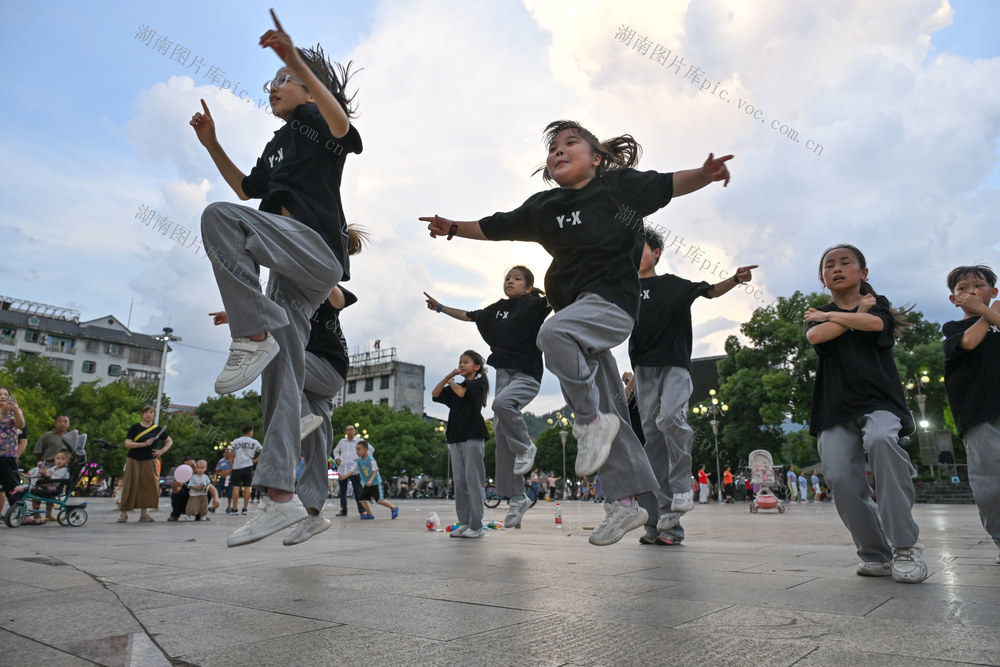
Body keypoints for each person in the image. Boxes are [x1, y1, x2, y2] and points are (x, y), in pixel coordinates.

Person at [423, 120, 733, 546]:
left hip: (609, 307)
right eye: (553, 148)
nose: (559, 151)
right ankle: (625, 506)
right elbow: (496, 225)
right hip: (577, 318)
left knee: (552, 337)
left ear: (597, 158)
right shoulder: (544, 208)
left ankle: (589, 422)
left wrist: (705, 173)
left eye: (571, 144)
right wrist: (454, 226)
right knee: (612, 412)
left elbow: (667, 184)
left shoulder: (617, 190)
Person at [190, 10, 362, 548]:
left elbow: (342, 126)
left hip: (314, 251)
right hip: (288, 275)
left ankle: (255, 332)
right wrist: (212, 145)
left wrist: (296, 62)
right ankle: (281, 500)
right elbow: (246, 187)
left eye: (283, 81)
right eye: (272, 83)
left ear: (312, 90)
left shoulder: (316, 125)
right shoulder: (278, 142)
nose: (274, 89)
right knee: (279, 376)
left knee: (218, 218)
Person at [805, 243, 926, 583]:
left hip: (879, 402)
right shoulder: (826, 313)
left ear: (864, 273)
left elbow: (874, 326)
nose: (837, 268)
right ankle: (875, 553)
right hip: (834, 407)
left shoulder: (880, 305)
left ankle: (906, 546)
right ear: (822, 278)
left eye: (846, 262)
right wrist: (847, 313)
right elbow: (817, 335)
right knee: (840, 476)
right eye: (829, 265)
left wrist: (835, 316)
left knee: (882, 439)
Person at [629, 225, 755, 541]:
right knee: (653, 440)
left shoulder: (673, 285)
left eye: (641, 246)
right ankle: (659, 524)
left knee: (671, 419)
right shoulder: (624, 289)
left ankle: (683, 487)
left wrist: (736, 279)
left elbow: (711, 291)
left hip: (673, 365)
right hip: (643, 369)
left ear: (656, 252)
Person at [424, 265, 550, 529]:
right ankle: (517, 497)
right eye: (507, 278)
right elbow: (469, 315)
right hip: (503, 373)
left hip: (526, 374)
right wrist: (440, 307)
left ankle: (527, 446)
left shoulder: (534, 304)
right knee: (502, 439)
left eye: (516, 279)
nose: (509, 282)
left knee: (501, 403)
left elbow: (559, 296)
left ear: (528, 287)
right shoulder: (496, 309)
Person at [942, 264, 1000, 565]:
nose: (970, 292)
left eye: (978, 286)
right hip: (978, 414)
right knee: (990, 485)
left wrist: (990, 311)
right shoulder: (953, 329)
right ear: (953, 299)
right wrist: (987, 312)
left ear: (993, 292)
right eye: (962, 288)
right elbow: (968, 343)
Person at [432, 351, 490, 539]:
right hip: (455, 437)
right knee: (460, 482)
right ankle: (465, 523)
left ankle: (477, 525)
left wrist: (451, 382)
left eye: (466, 362)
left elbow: (462, 392)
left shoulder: (478, 383)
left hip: (473, 435)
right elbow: (435, 393)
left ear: (476, 367)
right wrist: (448, 377)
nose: (461, 365)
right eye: (460, 362)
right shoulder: (456, 385)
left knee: (473, 481)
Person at [119, 406, 172, 523]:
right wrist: (143, 444)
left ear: (154, 415)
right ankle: (124, 514)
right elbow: (127, 443)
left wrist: (161, 451)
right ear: (142, 415)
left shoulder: (157, 429)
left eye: (151, 412)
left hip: (149, 459)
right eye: (146, 412)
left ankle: (143, 514)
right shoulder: (135, 428)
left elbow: (169, 441)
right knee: (129, 484)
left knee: (147, 486)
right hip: (133, 459)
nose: (148, 414)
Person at [0, 387, 27, 519]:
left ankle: (19, 513)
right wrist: (3, 413)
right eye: (0, 394)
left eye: (6, 394)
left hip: (8, 453)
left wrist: (15, 410)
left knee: (12, 485)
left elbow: (21, 426)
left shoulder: (14, 411)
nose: (3, 396)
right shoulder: (3, 412)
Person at [355, 440, 398, 520]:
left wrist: (371, 480)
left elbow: (375, 470)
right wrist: (344, 476)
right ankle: (370, 514)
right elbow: (353, 470)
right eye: (356, 450)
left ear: (366, 450)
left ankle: (394, 508)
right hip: (368, 484)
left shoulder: (371, 459)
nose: (357, 452)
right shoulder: (359, 461)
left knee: (379, 501)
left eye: (359, 449)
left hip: (375, 483)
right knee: (361, 499)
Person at [333, 424, 367, 517]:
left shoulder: (360, 441)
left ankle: (362, 511)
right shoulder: (342, 441)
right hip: (342, 470)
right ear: (345, 432)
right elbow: (336, 450)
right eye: (348, 430)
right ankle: (343, 511)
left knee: (358, 491)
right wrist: (337, 458)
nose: (350, 431)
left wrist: (361, 459)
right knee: (342, 492)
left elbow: (370, 450)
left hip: (354, 470)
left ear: (355, 431)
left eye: (351, 429)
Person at [228, 426, 262, 515]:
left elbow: (232, 455)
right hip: (248, 466)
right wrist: (255, 460)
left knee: (235, 487)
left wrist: (229, 467)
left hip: (237, 467)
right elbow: (263, 451)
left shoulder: (236, 441)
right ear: (250, 432)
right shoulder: (254, 442)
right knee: (247, 488)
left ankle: (234, 509)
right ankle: (245, 509)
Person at [168, 457, 197, 522]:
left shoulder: (201, 476)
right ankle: (175, 515)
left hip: (195, 502)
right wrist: (176, 486)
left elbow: (211, 488)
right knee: (179, 492)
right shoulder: (180, 477)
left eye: (192, 466)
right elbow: (176, 491)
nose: (189, 468)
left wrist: (216, 499)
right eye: (186, 466)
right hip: (183, 503)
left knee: (206, 490)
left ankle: (201, 514)